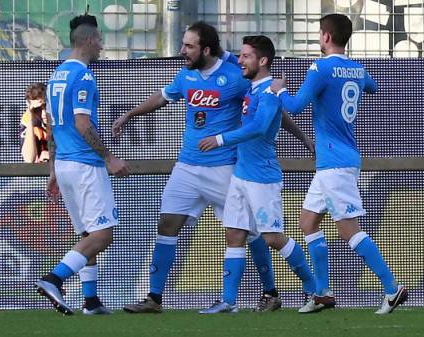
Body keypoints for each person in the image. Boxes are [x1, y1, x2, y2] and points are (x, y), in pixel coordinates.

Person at [113, 21, 314, 314]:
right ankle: (154, 298)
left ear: (206, 49)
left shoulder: (236, 76)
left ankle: (270, 292)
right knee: (167, 224)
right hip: (187, 166)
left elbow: (269, 110)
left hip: (225, 167)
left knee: (252, 232)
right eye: (183, 45)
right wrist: (129, 113)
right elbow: (163, 96)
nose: (182, 51)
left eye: (189, 46)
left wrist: (303, 137)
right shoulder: (187, 75)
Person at [270, 13, 408, 314]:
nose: (319, 38)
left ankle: (391, 287)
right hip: (336, 161)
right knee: (307, 222)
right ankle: (322, 293)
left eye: (320, 33)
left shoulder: (320, 68)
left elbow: (293, 106)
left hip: (335, 163)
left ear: (326, 37)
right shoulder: (357, 69)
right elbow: (371, 87)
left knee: (349, 230)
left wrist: (278, 89)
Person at [197, 35, 316, 314]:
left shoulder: (270, 92)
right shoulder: (255, 88)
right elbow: (225, 57)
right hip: (241, 175)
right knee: (234, 234)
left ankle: (316, 288)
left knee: (273, 238)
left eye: (246, 56)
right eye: (240, 55)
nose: (240, 61)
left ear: (262, 61)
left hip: (262, 178)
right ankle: (228, 301)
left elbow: (261, 127)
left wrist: (220, 139)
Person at [35, 14, 129, 316]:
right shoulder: (84, 76)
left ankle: (90, 301)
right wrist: (109, 157)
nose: (101, 46)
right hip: (85, 165)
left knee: (88, 234)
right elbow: (82, 124)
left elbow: (51, 126)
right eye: (100, 40)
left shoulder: (56, 75)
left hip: (64, 165)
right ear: (89, 41)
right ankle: (54, 279)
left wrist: (52, 169)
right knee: (102, 236)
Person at [20, 83, 50, 163]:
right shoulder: (28, 118)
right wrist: (31, 118)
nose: (43, 113)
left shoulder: (63, 116)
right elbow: (29, 159)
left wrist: (51, 155)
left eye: (46, 107)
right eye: (38, 109)